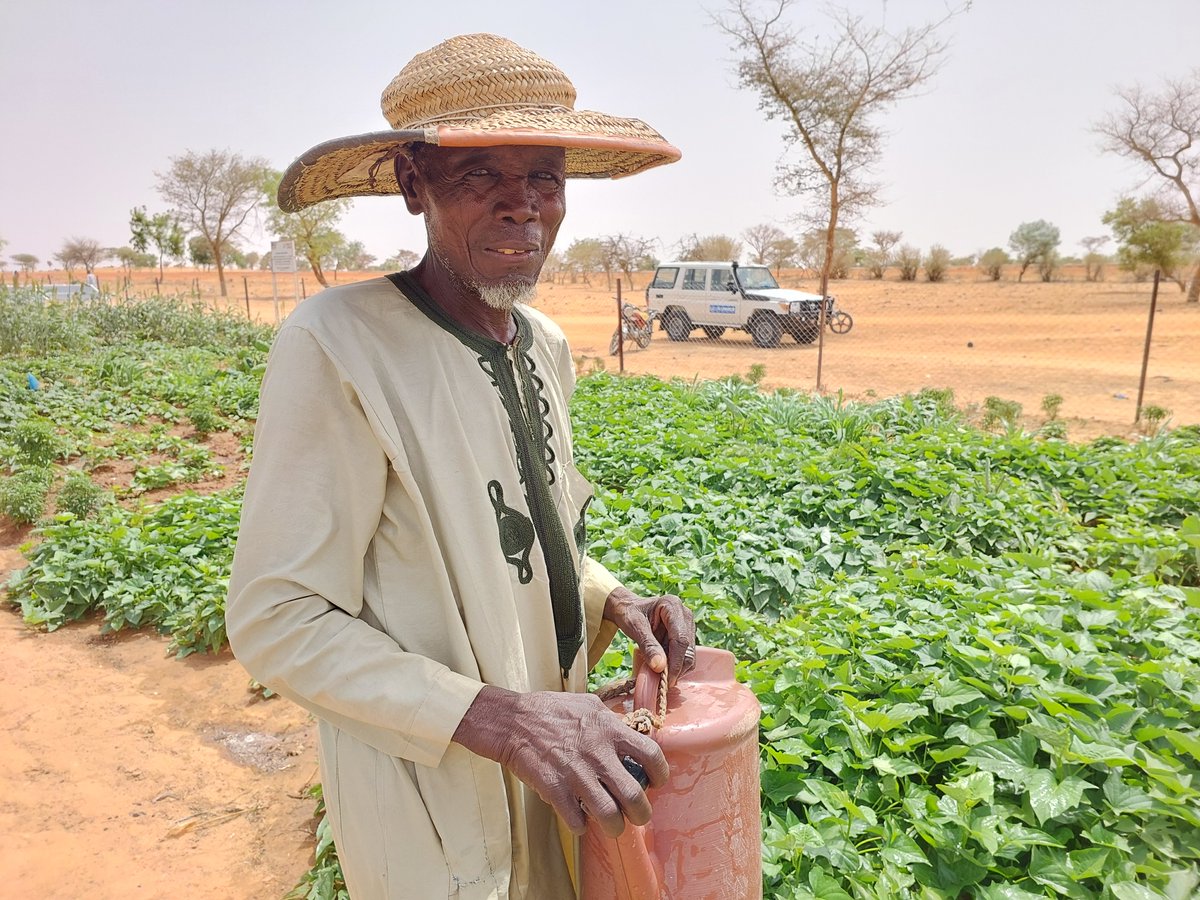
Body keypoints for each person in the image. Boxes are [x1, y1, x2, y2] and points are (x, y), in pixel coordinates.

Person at [225, 33, 692, 899]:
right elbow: (277, 617)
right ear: (414, 185)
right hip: (434, 808)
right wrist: (503, 721)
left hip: (566, 772)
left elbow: (522, 538)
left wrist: (610, 599)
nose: (523, 208)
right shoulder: (338, 344)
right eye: (481, 176)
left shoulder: (543, 345)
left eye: (543, 178)